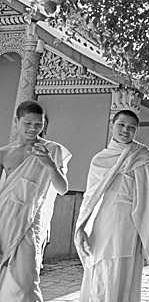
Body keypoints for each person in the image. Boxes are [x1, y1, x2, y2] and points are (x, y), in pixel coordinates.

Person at [74, 109, 149, 302]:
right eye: (121, 125)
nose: (126, 130)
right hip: (103, 224)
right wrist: (81, 226)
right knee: (100, 272)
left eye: (131, 128)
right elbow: (91, 197)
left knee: (124, 274)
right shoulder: (100, 160)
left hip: (130, 224)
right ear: (112, 125)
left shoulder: (143, 158)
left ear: (136, 131)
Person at [0, 100, 71, 302]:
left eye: (38, 125)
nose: (33, 129)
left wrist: (49, 164)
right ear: (17, 122)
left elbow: (62, 188)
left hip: (31, 220)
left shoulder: (53, 150)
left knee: (26, 281)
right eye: (28, 124)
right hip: (4, 217)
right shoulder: (4, 153)